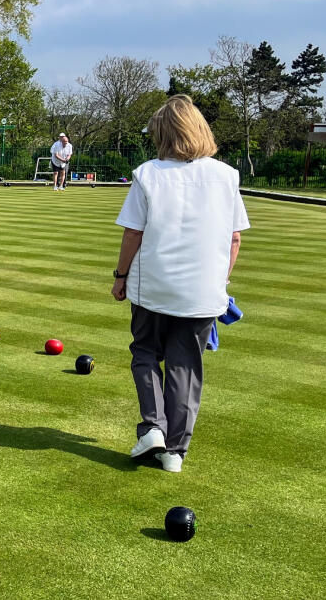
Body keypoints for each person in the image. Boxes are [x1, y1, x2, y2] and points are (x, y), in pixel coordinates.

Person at [111, 94, 248, 473]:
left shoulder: (147, 173)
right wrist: (220, 281)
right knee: (186, 367)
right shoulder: (227, 176)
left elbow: (133, 235)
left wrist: (120, 277)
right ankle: (175, 453)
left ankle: (153, 428)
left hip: (153, 284)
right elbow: (234, 239)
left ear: (163, 134)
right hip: (204, 291)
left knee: (145, 352)